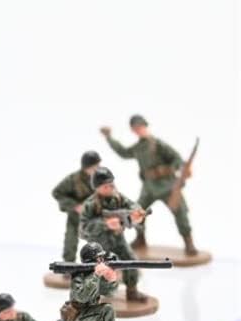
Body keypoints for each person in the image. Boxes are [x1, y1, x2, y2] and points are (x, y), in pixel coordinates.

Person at [101, 115, 198, 255]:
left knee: (180, 212)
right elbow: (123, 152)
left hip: (167, 186)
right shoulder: (138, 147)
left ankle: (189, 243)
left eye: (140, 127)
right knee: (137, 211)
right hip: (149, 188)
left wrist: (175, 169)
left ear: (145, 126)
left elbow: (177, 159)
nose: (139, 130)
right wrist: (109, 137)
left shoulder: (158, 144)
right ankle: (140, 239)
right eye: (135, 128)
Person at [79, 166, 150, 302]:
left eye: (111, 184)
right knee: (98, 270)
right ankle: (93, 295)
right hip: (99, 244)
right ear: (97, 187)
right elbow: (83, 228)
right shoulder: (90, 204)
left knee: (130, 261)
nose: (110, 188)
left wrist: (137, 213)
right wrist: (105, 224)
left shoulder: (118, 198)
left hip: (118, 239)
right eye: (105, 186)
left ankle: (132, 291)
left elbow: (132, 205)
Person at [62, 242, 126, 321]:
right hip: (78, 315)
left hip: (93, 314)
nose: (102, 260)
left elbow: (109, 293)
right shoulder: (78, 276)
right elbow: (82, 297)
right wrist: (96, 275)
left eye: (102, 257)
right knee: (107, 309)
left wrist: (111, 280)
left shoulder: (97, 274)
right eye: (99, 258)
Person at [52, 150, 101, 263]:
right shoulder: (73, 179)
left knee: (99, 244)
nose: (97, 168)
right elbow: (57, 192)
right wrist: (75, 206)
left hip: (94, 217)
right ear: (86, 167)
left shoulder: (101, 178)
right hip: (76, 217)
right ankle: (69, 266)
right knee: (70, 242)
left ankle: (98, 266)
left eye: (98, 165)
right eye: (95, 166)